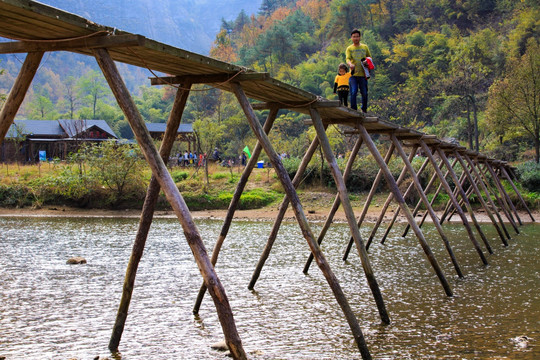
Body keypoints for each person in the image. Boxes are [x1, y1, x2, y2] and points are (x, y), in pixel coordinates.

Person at [346, 29, 371, 113]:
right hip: (353, 74)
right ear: (351, 38)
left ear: (360, 37)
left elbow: (369, 58)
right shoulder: (349, 48)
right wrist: (350, 64)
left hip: (363, 74)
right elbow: (347, 58)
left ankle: (364, 109)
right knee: (354, 91)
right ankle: (354, 110)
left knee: (364, 93)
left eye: (357, 36)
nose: (356, 38)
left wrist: (366, 62)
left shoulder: (365, 47)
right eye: (354, 37)